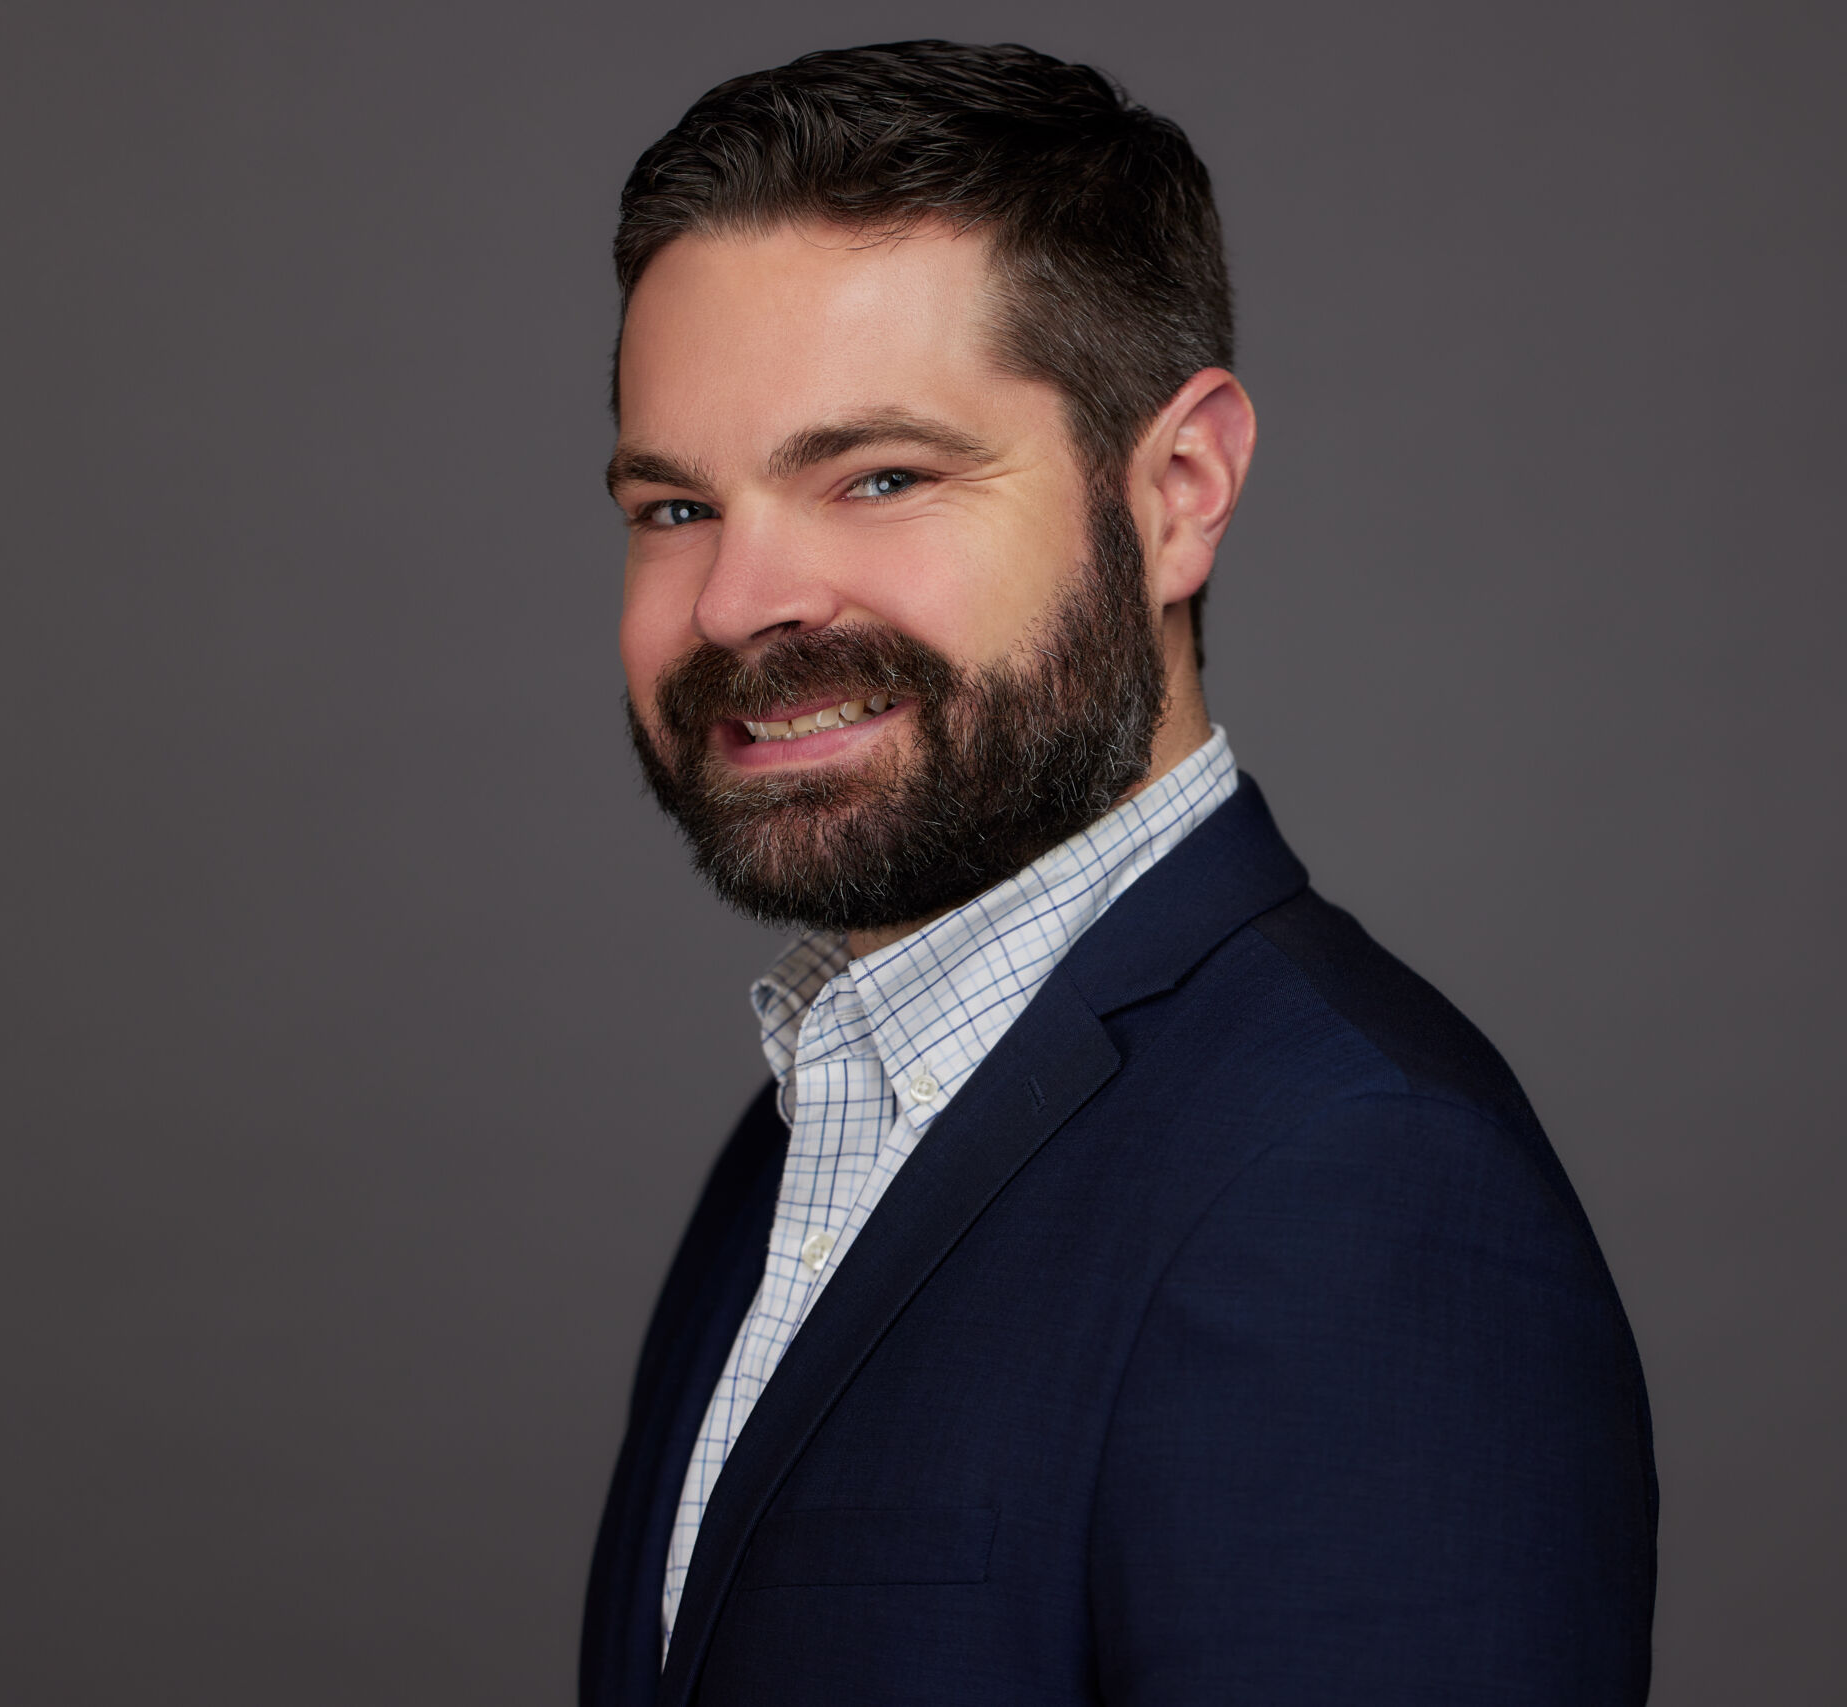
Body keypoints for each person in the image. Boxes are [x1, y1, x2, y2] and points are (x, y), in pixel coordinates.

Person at [582, 40, 1657, 1706]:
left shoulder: (1352, 1186)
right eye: (672, 508)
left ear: (1178, 492)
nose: (735, 603)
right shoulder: (815, 1118)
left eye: (878, 477)